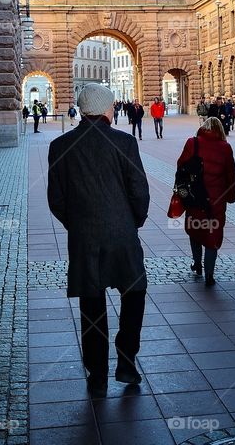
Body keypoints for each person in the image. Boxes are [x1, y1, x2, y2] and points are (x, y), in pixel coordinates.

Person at [47, 83, 150, 399]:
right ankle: (126, 358)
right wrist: (132, 222)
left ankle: (97, 374)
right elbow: (140, 192)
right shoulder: (125, 142)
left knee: (92, 306)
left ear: (81, 110)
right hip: (122, 235)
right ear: (107, 109)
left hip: (84, 237)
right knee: (134, 292)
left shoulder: (60, 145)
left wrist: (77, 225)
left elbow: (56, 199)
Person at [177, 117, 235, 286]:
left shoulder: (192, 143)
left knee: (196, 230)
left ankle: (197, 264)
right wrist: (231, 195)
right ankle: (209, 274)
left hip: (195, 198)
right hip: (216, 201)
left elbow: (180, 165)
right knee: (213, 235)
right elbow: (231, 176)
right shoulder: (225, 148)